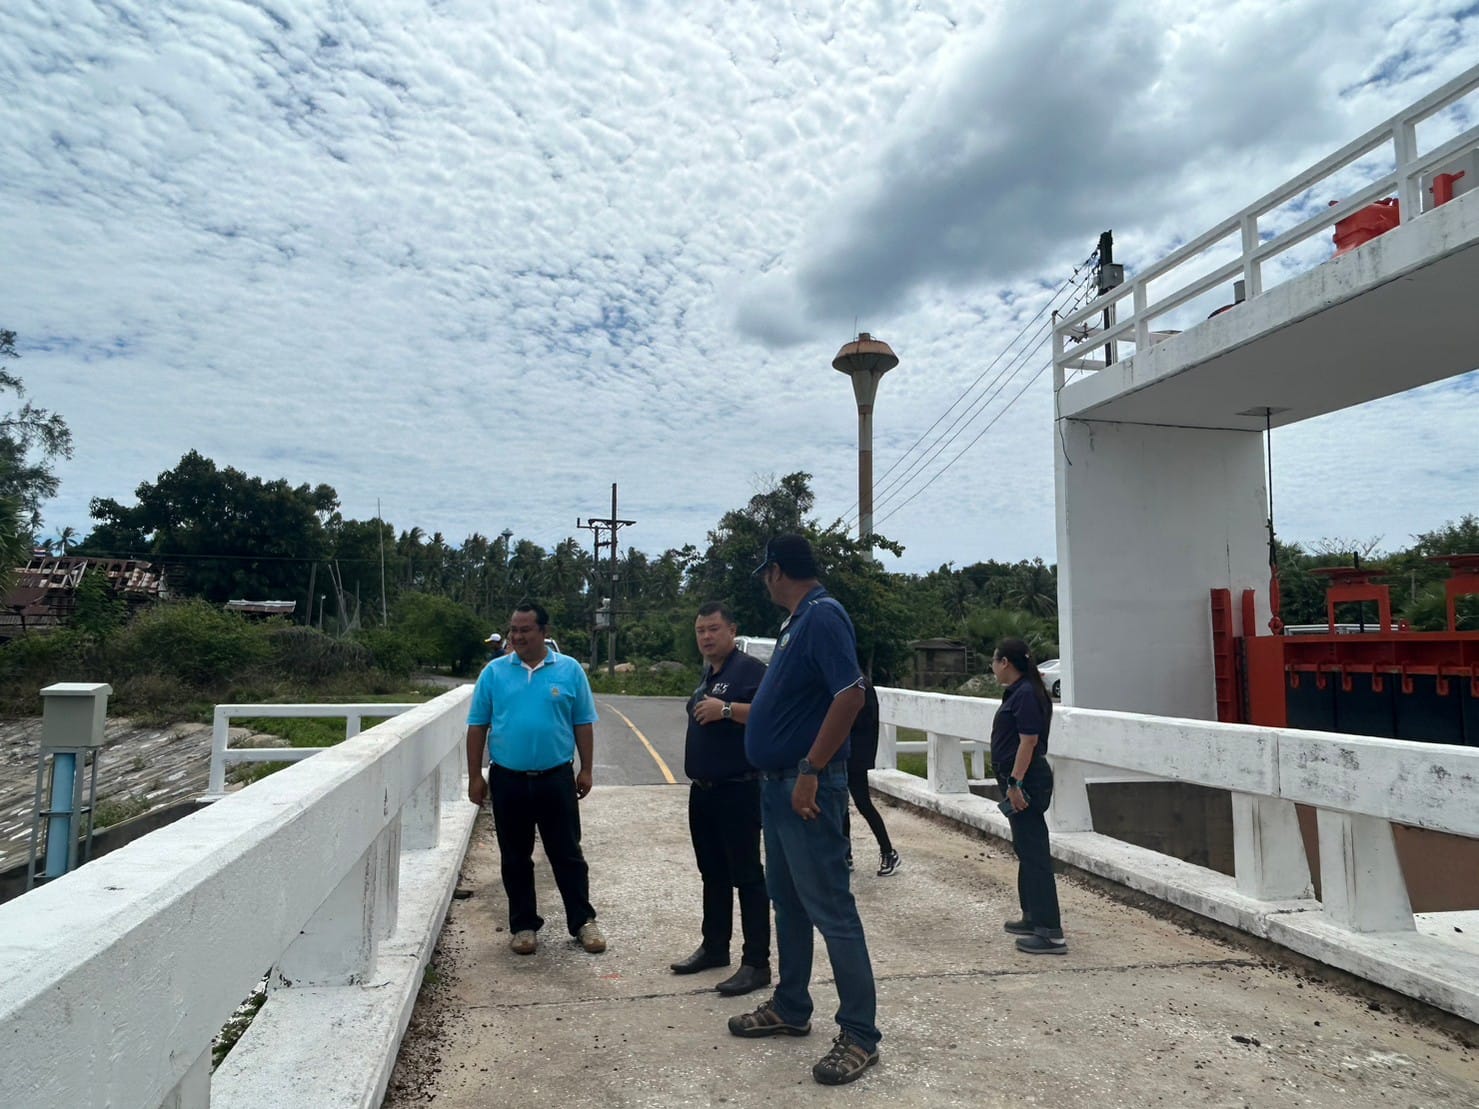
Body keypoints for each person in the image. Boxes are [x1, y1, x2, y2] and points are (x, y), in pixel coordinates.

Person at [727, 534, 881, 1087]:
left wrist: (812, 770)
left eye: (762, 573)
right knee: (788, 903)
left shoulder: (823, 615)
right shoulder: (797, 623)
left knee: (832, 911)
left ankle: (860, 1034)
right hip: (778, 785)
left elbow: (851, 694)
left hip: (805, 785)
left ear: (774, 571)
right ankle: (791, 1007)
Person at [465, 602, 606, 956]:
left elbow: (583, 722)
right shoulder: (494, 673)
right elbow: (477, 726)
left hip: (555, 777)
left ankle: (582, 922)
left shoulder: (570, 670)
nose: (517, 636)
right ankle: (524, 926)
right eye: (513, 629)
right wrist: (474, 777)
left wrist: (586, 768)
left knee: (567, 854)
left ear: (543, 631)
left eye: (525, 629)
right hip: (507, 779)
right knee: (515, 856)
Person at [670, 602, 772, 996]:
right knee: (711, 873)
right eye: (700, 631)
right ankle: (714, 947)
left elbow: (769, 714)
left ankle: (756, 962)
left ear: (732, 630)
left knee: (747, 876)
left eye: (713, 629)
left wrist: (726, 709)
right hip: (704, 791)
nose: (706, 637)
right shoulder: (709, 672)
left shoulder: (750, 671)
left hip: (738, 789)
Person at [991, 636, 1066, 955]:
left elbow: (1029, 742)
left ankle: (1051, 932)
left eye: (994, 662)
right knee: (1025, 847)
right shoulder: (1022, 692)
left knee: (1034, 853)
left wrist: (1015, 783)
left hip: (1027, 780)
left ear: (1004, 662)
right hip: (1020, 778)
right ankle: (1032, 916)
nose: (993, 668)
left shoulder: (1025, 695)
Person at [844, 678, 901, 877]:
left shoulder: (861, 687)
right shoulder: (850, 684)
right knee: (841, 805)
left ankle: (888, 851)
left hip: (856, 755)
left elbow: (860, 723)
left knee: (863, 803)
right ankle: (845, 853)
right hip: (842, 753)